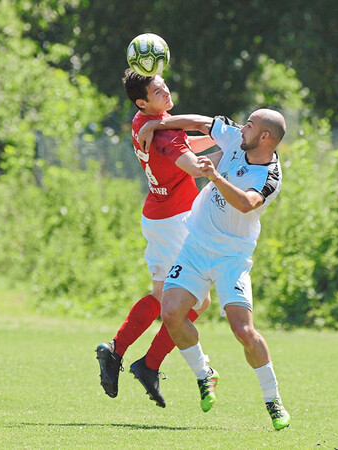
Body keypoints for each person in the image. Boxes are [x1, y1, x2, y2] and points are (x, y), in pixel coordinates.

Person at [137, 109, 291, 430]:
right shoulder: (238, 137)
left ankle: (272, 399)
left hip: (231, 256)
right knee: (171, 312)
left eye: (250, 125)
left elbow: (246, 203)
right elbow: (198, 122)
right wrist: (158, 124)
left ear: (264, 137)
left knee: (243, 332)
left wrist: (215, 176)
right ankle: (204, 374)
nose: (242, 127)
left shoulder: (270, 176)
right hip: (196, 246)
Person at [95, 69, 215, 408]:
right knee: (197, 302)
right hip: (177, 221)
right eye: (157, 91)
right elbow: (190, 163)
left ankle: (119, 352)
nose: (165, 92)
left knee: (163, 296)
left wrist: (219, 141)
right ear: (142, 102)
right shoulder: (165, 132)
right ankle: (148, 364)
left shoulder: (142, 121)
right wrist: (229, 152)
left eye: (163, 86)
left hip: (158, 216)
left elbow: (182, 144)